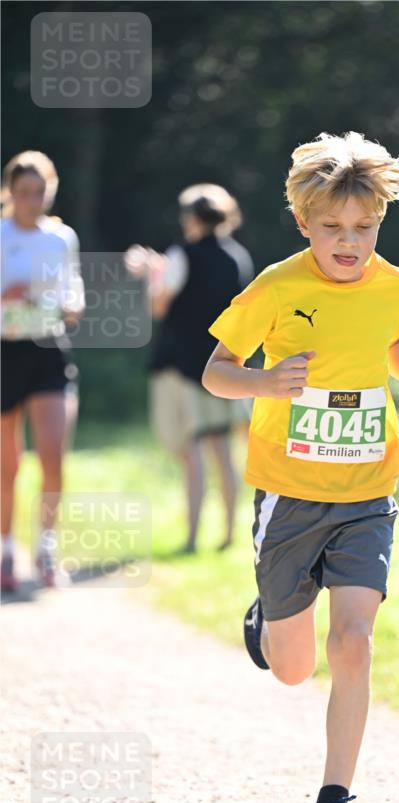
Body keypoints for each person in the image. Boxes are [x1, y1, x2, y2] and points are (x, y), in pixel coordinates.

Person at [202, 131, 399, 803]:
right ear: (303, 223)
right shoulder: (277, 289)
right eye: (332, 229)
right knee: (292, 668)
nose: (349, 243)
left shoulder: (393, 284)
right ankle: (267, 617)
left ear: (380, 220)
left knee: (352, 641)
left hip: (367, 491)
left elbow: (388, 339)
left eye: (364, 228)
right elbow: (216, 370)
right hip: (288, 493)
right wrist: (262, 382)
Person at [124, 184, 253, 553]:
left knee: (191, 449)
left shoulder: (182, 254)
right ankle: (228, 533)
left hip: (182, 367)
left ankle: (193, 536)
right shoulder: (238, 256)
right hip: (226, 368)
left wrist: (152, 274)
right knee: (222, 451)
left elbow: (159, 307)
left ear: (192, 218)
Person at [1, 151, 85, 591]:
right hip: (4, 352)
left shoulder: (60, 238)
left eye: (40, 193)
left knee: (52, 453)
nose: (32, 201)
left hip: (47, 348)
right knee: (7, 466)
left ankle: (47, 549)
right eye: (24, 193)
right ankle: (5, 552)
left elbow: (75, 298)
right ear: (10, 192)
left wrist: (64, 304)